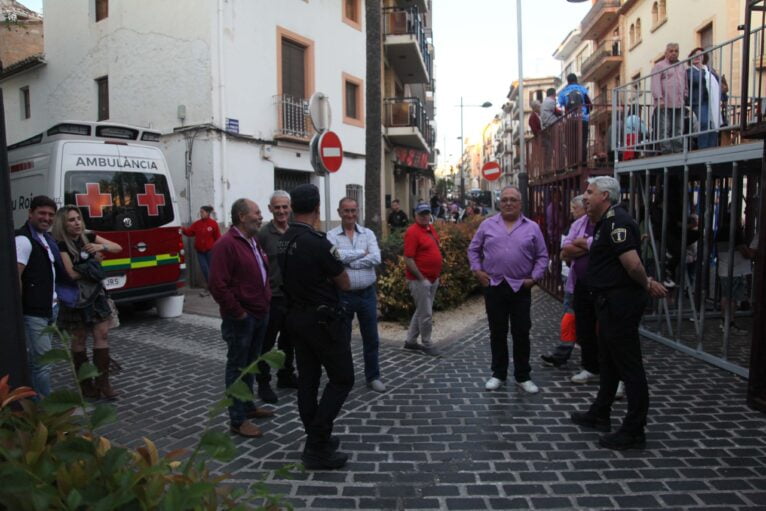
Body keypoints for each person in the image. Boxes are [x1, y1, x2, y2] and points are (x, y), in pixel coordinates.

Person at [570, 176, 667, 451]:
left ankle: (634, 429)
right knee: (609, 363)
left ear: (606, 196)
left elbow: (633, 265)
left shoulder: (617, 223)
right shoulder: (605, 222)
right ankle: (601, 412)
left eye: (590, 192)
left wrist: (646, 283)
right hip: (607, 304)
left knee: (629, 367)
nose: (585, 197)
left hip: (619, 305)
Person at [278, 184, 353, 470]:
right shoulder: (318, 242)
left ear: (293, 207)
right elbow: (344, 282)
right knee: (342, 379)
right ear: (318, 208)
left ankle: (315, 437)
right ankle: (317, 443)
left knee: (308, 382)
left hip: (296, 318)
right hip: (321, 321)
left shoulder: (285, 239)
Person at [468, 186, 548, 394]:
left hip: (520, 287)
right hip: (494, 286)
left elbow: (542, 256)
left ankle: (523, 376)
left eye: (513, 199)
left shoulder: (532, 227)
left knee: (521, 332)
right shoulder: (487, 225)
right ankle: (498, 374)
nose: (508, 203)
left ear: (520, 203)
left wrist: (534, 278)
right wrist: (478, 271)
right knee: (497, 332)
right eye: (504, 200)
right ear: (499, 203)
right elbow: (473, 249)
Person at [208, 198, 273, 438]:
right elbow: (217, 285)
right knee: (237, 368)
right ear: (241, 216)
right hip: (241, 319)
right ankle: (237, 419)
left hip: (259, 313)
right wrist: (239, 312)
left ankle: (247, 406)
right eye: (256, 212)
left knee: (251, 364)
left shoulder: (252, 240)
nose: (260, 216)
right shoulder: (226, 245)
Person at [52, 206, 122, 399]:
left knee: (103, 334)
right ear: (62, 224)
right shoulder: (61, 245)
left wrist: (101, 247)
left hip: (96, 295)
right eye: (71, 220)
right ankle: (85, 384)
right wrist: (93, 263)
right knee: (79, 338)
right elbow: (71, 273)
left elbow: (118, 247)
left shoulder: (88, 237)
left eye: (78, 219)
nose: (77, 223)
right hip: (75, 297)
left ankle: (103, 383)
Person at [327, 197, 386, 393]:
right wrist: (362, 253)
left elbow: (376, 257)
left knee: (371, 337)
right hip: (344, 294)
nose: (350, 215)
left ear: (357, 211)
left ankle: (373, 376)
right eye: (346, 211)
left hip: (367, 294)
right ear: (339, 212)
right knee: (342, 339)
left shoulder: (367, 233)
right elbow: (335, 257)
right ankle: (344, 378)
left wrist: (351, 261)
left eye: (353, 210)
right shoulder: (331, 236)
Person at [16, 196, 67, 399]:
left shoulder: (45, 239)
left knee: (35, 362)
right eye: (42, 213)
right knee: (44, 363)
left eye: (50, 215)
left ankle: (31, 403)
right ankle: (47, 410)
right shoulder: (23, 240)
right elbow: (15, 277)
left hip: (50, 308)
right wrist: (18, 311)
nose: (46, 218)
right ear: (30, 214)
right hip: (34, 311)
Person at [255, 191, 299, 405]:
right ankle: (263, 382)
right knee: (266, 343)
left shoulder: (296, 232)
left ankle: (285, 375)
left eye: (285, 207)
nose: (281, 211)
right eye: (277, 207)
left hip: (293, 298)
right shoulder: (263, 235)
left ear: (290, 208)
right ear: (270, 209)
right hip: (272, 298)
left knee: (288, 342)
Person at [402, 203, 443, 357]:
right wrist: (422, 278)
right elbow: (408, 258)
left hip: (432, 278)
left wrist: (436, 274)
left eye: (427, 213)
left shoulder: (430, 228)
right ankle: (427, 343)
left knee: (421, 310)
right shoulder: (412, 232)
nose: (425, 216)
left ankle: (410, 342)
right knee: (426, 313)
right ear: (415, 215)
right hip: (419, 280)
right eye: (422, 214)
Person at [651, 43, 687, 154]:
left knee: (679, 128)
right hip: (665, 102)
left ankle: (678, 149)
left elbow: (685, 82)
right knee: (665, 128)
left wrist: (685, 95)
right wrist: (659, 98)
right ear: (666, 53)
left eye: (676, 51)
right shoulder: (659, 66)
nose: (674, 53)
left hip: (679, 102)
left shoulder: (681, 66)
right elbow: (655, 83)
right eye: (671, 51)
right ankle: (666, 150)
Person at [687, 47, 722, 149]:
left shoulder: (709, 70)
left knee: (714, 123)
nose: (697, 56)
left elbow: (718, 82)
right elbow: (695, 80)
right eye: (695, 55)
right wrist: (704, 70)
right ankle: (703, 147)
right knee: (704, 122)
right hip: (698, 101)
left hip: (711, 100)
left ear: (704, 58)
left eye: (700, 55)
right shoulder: (690, 72)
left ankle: (711, 146)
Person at [182, 205, 221, 295]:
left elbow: (218, 238)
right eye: (200, 212)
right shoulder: (197, 224)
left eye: (202, 212)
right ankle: (210, 288)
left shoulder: (213, 224)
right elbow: (189, 232)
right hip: (200, 252)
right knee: (204, 269)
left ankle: (213, 288)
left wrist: (219, 250)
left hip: (210, 251)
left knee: (212, 270)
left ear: (207, 213)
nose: (201, 213)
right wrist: (182, 229)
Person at [558, 73, 592, 160]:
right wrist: (585, 114)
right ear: (576, 80)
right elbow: (590, 105)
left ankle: (573, 165)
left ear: (568, 82)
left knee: (571, 144)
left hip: (570, 121)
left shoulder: (563, 92)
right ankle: (583, 163)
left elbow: (559, 108)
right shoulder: (582, 89)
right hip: (582, 119)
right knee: (582, 142)